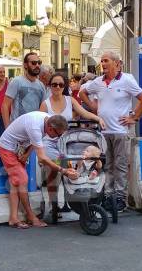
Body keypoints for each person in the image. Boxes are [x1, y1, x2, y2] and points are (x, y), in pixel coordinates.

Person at [80, 51, 142, 211]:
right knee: (107, 165)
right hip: (104, 131)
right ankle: (108, 195)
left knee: (120, 166)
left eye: (106, 61)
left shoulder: (127, 80)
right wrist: (93, 107)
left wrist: (135, 117)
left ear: (117, 64)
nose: (102, 64)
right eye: (101, 61)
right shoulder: (98, 82)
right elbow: (82, 93)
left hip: (121, 131)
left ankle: (120, 198)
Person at [40, 72, 103, 221]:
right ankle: (54, 204)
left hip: (66, 143)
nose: (57, 87)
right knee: (54, 172)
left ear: (64, 86)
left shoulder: (70, 100)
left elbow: (84, 113)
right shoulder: (45, 104)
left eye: (61, 85)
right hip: (50, 144)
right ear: (50, 86)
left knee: (77, 168)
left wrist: (98, 118)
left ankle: (76, 200)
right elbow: (40, 126)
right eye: (54, 84)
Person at [0, 112, 74, 229]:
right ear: (50, 128)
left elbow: (35, 141)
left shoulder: (47, 119)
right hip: (8, 148)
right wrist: (62, 170)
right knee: (23, 180)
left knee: (16, 182)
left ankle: (13, 218)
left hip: (18, 147)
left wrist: (27, 154)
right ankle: (31, 217)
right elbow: (42, 157)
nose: (57, 138)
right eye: (58, 135)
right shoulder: (35, 126)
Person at [3, 52, 49, 123]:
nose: (37, 65)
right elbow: (5, 106)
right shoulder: (16, 81)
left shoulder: (41, 85)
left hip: (34, 126)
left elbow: (44, 109)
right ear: (25, 65)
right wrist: (7, 127)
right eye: (33, 63)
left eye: (39, 63)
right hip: (18, 127)